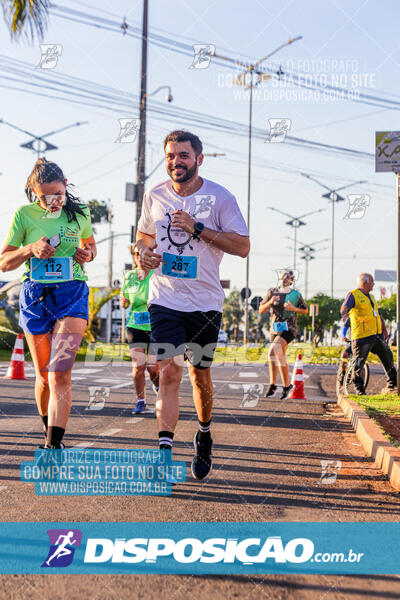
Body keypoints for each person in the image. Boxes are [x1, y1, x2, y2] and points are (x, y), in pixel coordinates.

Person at [135, 129, 249, 480]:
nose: (176, 162)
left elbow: (242, 246)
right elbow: (144, 236)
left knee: (200, 377)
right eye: (170, 156)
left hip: (205, 303)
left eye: (183, 156)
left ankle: (203, 433)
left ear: (199, 158)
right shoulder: (154, 194)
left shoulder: (220, 198)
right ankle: (165, 451)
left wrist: (198, 227)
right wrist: (143, 253)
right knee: (169, 369)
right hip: (164, 297)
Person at [0, 158, 96, 448]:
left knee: (59, 372)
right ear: (33, 192)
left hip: (72, 293)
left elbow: (91, 247)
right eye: (45, 196)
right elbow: (4, 262)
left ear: (66, 186)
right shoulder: (23, 215)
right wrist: (30, 249)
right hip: (35, 296)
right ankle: (48, 430)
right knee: (43, 376)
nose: (54, 201)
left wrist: (87, 255)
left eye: (58, 194)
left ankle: (53, 446)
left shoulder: (80, 213)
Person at [341, 273, 396, 395]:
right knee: (359, 363)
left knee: (388, 356)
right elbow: (344, 308)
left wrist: (384, 330)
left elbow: (378, 313)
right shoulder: (353, 295)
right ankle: (359, 390)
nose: (373, 284)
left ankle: (393, 384)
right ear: (365, 282)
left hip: (376, 336)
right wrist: (345, 314)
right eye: (372, 282)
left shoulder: (371, 297)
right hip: (362, 336)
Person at [120, 247, 159, 414]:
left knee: (152, 368)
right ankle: (141, 401)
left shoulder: (156, 274)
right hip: (135, 325)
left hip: (155, 325)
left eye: (143, 253)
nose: (140, 257)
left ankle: (158, 384)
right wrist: (123, 301)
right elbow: (126, 299)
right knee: (138, 366)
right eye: (136, 254)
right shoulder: (129, 276)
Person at [259, 270, 308, 399]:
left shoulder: (296, 294)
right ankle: (287, 386)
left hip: (289, 329)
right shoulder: (272, 292)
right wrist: (270, 302)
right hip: (274, 329)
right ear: (280, 278)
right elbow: (261, 309)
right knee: (280, 358)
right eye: (284, 275)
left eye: (288, 276)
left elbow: (305, 310)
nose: (285, 278)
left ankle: (272, 385)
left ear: (292, 280)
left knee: (272, 352)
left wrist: (293, 309)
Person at [336, 317, 352, 388]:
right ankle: (343, 373)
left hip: (364, 343)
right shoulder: (352, 316)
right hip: (353, 342)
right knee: (344, 355)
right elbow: (345, 328)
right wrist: (343, 336)